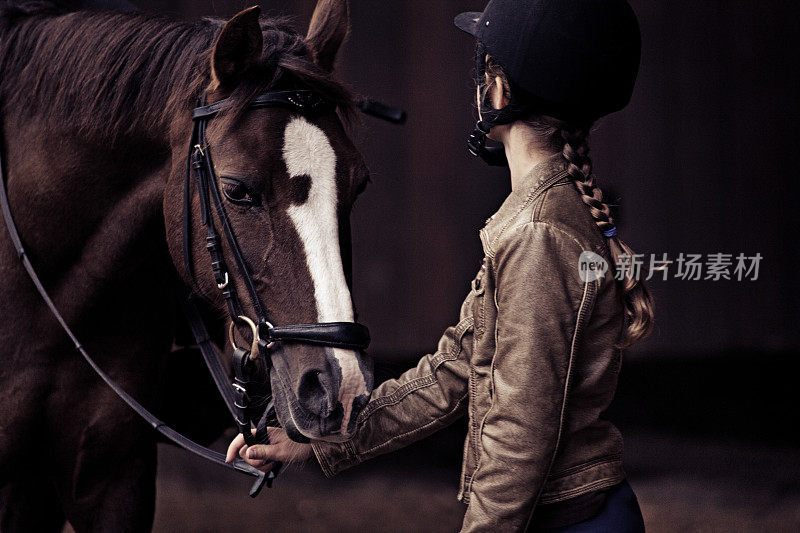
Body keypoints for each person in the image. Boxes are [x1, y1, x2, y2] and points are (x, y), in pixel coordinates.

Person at [227, 1, 654, 530]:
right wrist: (319, 444)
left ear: (497, 90)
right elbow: (453, 373)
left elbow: (519, 434)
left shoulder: (537, 235)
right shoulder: (537, 216)